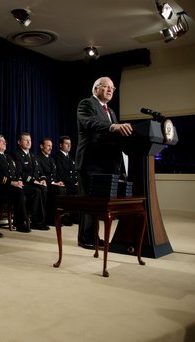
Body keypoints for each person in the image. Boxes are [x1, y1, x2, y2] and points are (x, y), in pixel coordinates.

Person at [76, 76, 133, 249]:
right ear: (95, 89)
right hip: (90, 162)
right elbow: (91, 123)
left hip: (106, 164)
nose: (110, 90)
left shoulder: (111, 111)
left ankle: (94, 236)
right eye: (106, 87)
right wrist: (113, 127)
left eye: (112, 88)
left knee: (99, 205)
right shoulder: (86, 104)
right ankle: (85, 238)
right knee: (88, 203)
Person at [0, 134, 33, 236]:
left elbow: (16, 172)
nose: (5, 143)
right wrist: (11, 182)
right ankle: (19, 223)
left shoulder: (8, 157)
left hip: (10, 185)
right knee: (19, 192)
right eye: (1, 141)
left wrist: (18, 181)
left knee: (34, 190)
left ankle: (34, 218)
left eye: (5, 141)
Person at [11, 133, 49, 230]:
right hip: (24, 183)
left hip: (35, 183)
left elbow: (40, 171)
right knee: (37, 191)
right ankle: (35, 220)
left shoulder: (32, 155)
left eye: (30, 140)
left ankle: (40, 220)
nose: (28, 142)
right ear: (19, 142)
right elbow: (20, 174)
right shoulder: (17, 155)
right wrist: (34, 181)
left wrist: (43, 179)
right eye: (25, 140)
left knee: (43, 189)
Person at [35, 137, 67, 226]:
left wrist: (58, 182)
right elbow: (40, 174)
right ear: (41, 146)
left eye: (51, 146)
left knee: (64, 188)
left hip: (53, 183)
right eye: (48, 145)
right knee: (59, 190)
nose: (51, 148)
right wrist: (53, 183)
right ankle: (51, 219)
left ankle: (60, 217)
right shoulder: (38, 158)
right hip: (44, 183)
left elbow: (54, 174)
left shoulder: (51, 159)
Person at [52, 135, 79, 225]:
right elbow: (61, 174)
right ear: (60, 145)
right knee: (74, 189)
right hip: (63, 182)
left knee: (80, 188)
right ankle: (66, 217)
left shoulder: (70, 158)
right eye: (66, 143)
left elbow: (75, 173)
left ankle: (75, 216)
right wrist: (73, 182)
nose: (69, 146)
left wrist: (77, 181)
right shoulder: (57, 157)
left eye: (70, 144)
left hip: (71, 183)